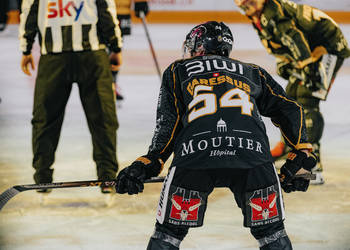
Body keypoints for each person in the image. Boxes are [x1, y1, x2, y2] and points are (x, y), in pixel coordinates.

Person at [115, 21, 316, 250]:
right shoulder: (252, 71)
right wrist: (302, 153)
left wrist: (149, 162)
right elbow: (290, 108)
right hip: (253, 157)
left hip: (195, 157)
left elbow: (168, 126)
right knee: (273, 236)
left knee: (168, 236)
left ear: (197, 47)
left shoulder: (177, 70)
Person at [234, 0, 350, 184]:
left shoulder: (273, 13)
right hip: (312, 47)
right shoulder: (263, 13)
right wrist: (286, 62)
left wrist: (306, 66)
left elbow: (293, 37)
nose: (245, 6)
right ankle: (291, 148)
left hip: (328, 47)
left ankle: (311, 166)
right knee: (291, 97)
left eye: (249, 2)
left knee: (307, 97)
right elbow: (285, 41)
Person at [19, 0, 123, 193]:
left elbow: (29, 11)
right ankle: (107, 177)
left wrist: (26, 48)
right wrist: (116, 47)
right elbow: (106, 10)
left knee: (45, 120)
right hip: (92, 57)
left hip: (53, 57)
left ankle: (42, 179)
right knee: (103, 118)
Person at [112, 0, 149, 100]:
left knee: (116, 49)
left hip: (122, 12)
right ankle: (105, 84)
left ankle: (112, 84)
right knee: (105, 49)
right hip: (102, 9)